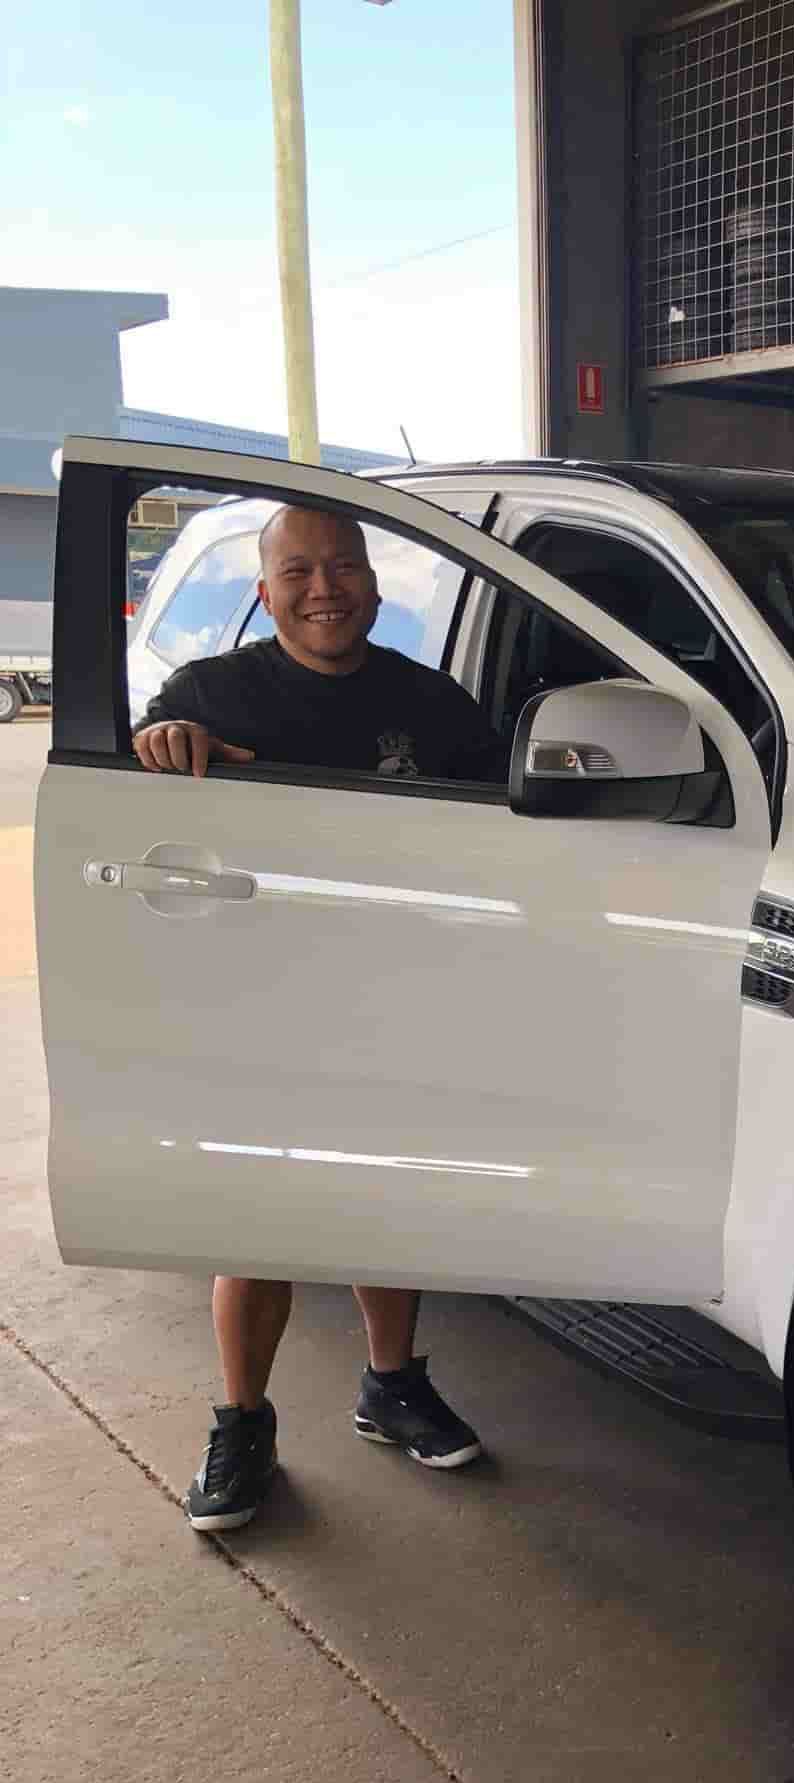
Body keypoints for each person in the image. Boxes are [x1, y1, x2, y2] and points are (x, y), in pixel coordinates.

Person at [133, 503, 504, 1532]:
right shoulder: (208, 693)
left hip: (397, 991)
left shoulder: (435, 706)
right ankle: (242, 1420)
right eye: (298, 569)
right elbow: (132, 792)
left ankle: (392, 1384)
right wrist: (160, 743)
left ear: (376, 586)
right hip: (254, 997)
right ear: (264, 591)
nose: (324, 587)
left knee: (386, 1198)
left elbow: (504, 845)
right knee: (257, 1218)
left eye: (343, 566)